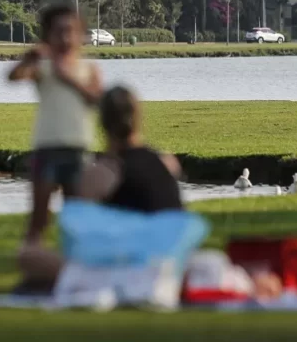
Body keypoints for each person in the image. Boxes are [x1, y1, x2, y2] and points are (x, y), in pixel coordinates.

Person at [17, 86, 184, 290]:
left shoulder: (103, 172)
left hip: (124, 270)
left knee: (28, 255)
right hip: (169, 265)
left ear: (102, 122)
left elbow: (78, 239)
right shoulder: (168, 162)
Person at [8, 2, 103, 249]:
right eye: (58, 31)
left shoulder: (88, 69)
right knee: (40, 216)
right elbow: (14, 77)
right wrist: (29, 58)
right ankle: (32, 261)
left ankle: (76, 267)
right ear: (48, 36)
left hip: (78, 149)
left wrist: (68, 78)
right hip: (47, 148)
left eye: (71, 31)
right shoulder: (43, 67)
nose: (65, 37)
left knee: (77, 216)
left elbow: (96, 99)